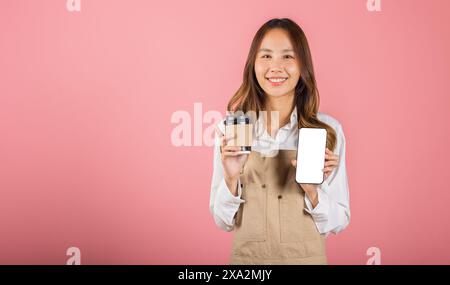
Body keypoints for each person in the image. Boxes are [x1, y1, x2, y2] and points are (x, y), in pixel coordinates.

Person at [209, 18, 350, 265]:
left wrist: (313, 192)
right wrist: (231, 179)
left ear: (303, 65)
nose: (276, 67)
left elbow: (339, 221)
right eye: (266, 56)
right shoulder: (233, 129)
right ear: (253, 64)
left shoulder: (326, 131)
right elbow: (223, 222)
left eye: (287, 56)